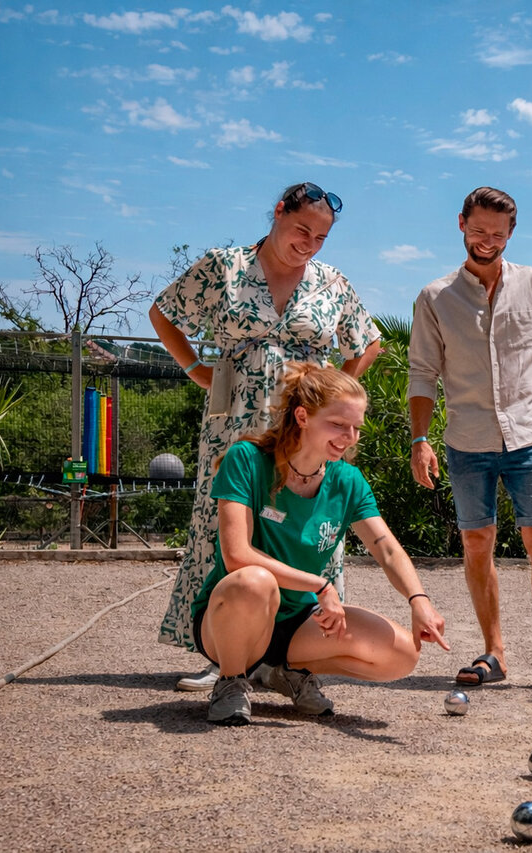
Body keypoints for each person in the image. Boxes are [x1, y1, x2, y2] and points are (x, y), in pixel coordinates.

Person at [150, 182, 382, 692]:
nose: (309, 243)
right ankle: (227, 651)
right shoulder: (224, 267)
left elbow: (368, 342)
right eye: (302, 229)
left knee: (307, 525)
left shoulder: (330, 281)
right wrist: (194, 368)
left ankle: (291, 655)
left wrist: (336, 393)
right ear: (278, 212)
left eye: (321, 237)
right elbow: (163, 313)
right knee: (228, 525)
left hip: (305, 431)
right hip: (235, 419)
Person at [407, 187, 532, 697]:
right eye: (479, 230)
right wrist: (420, 440)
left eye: (498, 233)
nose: (488, 241)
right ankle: (495, 652)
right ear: (461, 224)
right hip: (467, 440)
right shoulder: (435, 297)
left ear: (511, 234)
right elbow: (422, 374)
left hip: (531, 433)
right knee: (477, 542)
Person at [195, 363, 448, 725]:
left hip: (298, 623)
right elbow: (237, 555)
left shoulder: (348, 481)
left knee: (403, 654)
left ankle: (284, 670)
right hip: (234, 616)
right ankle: (232, 679)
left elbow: (387, 548)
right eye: (338, 424)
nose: (349, 436)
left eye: (356, 428)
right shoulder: (247, 460)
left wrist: (419, 601)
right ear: (303, 416)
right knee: (255, 580)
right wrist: (320, 585)